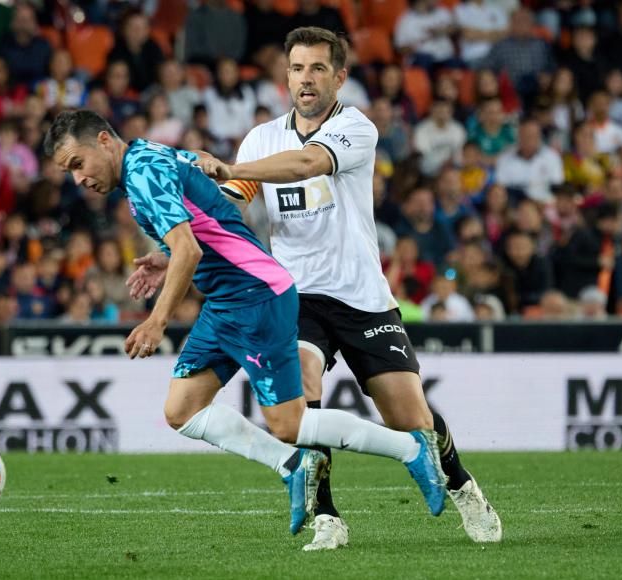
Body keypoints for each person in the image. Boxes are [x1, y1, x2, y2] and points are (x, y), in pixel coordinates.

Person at [44, 109, 447, 540]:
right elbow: (209, 212)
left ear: (104, 141)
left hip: (256, 295)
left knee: (289, 425)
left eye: (78, 164)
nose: (78, 179)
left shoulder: (141, 173)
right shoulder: (149, 155)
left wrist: (156, 321)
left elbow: (190, 251)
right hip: (227, 299)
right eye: (69, 171)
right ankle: (292, 465)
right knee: (181, 410)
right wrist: (165, 257)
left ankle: (412, 449)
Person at [194, 27, 502, 550]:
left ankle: (460, 482)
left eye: (317, 68)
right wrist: (176, 245)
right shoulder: (261, 138)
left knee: (411, 421)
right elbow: (229, 202)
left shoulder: (357, 128)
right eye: (297, 68)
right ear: (285, 76)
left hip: (361, 295)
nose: (306, 79)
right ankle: (327, 515)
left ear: (340, 77)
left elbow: (309, 163)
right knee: (300, 391)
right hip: (295, 294)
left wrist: (231, 165)